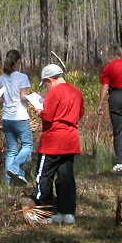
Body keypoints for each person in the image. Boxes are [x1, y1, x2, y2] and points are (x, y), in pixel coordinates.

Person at [34, 63, 84, 224]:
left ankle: (44, 211)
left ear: (50, 79)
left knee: (43, 176)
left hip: (53, 140)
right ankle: (67, 213)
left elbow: (48, 117)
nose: (47, 88)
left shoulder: (54, 92)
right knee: (66, 177)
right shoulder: (76, 91)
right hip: (71, 139)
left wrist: (39, 111)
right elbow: (80, 113)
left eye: (46, 84)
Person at [0, 49, 34, 185]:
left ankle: (8, 183)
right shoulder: (22, 77)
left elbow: (0, 100)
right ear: (18, 61)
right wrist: (34, 98)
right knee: (28, 146)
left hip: (7, 118)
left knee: (11, 150)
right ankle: (14, 168)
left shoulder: (1, 78)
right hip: (20, 117)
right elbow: (23, 97)